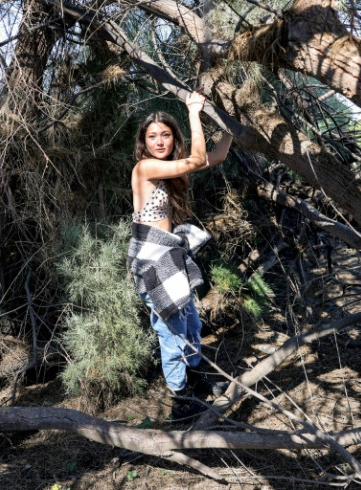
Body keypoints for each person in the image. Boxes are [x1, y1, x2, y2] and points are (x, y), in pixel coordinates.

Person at [126, 90, 233, 419]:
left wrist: (231, 126)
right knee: (170, 329)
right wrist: (193, 112)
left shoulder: (169, 169)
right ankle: (179, 398)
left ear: (173, 138)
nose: (160, 141)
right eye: (153, 136)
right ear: (144, 142)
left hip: (169, 257)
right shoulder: (145, 167)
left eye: (166, 135)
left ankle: (197, 379)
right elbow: (199, 158)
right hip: (152, 260)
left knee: (189, 322)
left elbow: (215, 156)